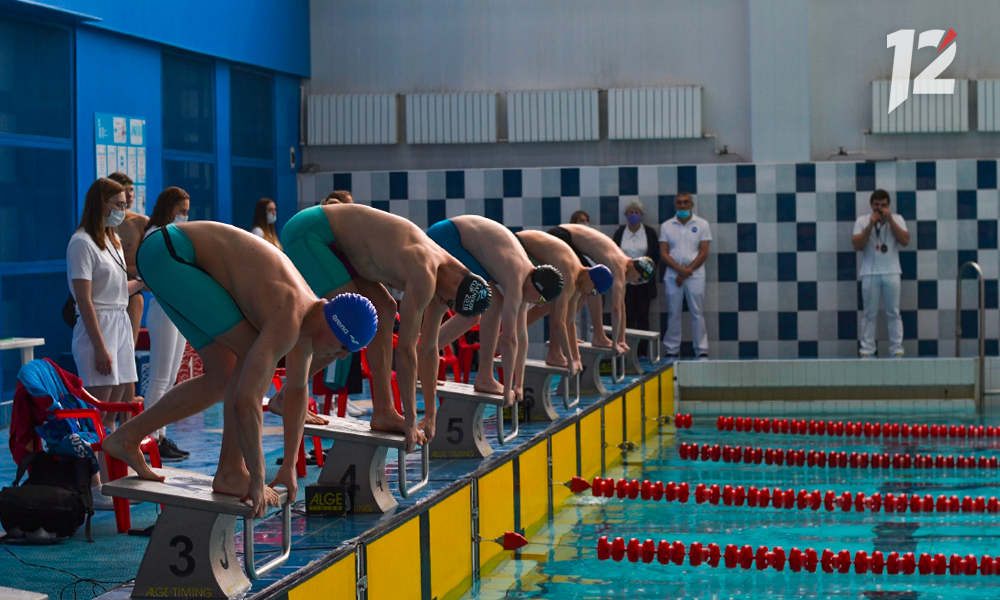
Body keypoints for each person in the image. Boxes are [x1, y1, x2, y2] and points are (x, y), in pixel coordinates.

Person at [103, 222, 378, 518]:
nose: (340, 356)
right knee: (246, 356)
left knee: (223, 375)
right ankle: (232, 471)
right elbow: (247, 401)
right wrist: (258, 477)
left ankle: (127, 438)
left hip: (167, 254)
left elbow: (296, 392)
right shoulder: (289, 317)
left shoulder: (309, 324)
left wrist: (288, 467)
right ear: (335, 328)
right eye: (343, 348)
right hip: (171, 252)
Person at [270, 204, 491, 449]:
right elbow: (405, 351)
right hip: (310, 233)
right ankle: (287, 394)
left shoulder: (448, 283)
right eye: (450, 302)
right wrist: (411, 420)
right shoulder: (425, 271)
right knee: (354, 323)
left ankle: (383, 411)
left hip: (342, 248)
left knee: (384, 309)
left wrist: (431, 414)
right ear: (457, 284)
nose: (444, 304)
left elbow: (428, 349)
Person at [66, 178, 144, 508]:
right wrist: (99, 346)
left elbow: (117, 290)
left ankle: (110, 482)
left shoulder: (112, 239)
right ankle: (93, 486)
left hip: (118, 324)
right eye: (119, 205)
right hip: (96, 329)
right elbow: (84, 299)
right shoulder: (81, 243)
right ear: (101, 204)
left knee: (111, 415)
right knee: (95, 414)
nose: (123, 211)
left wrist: (143, 280)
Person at [431, 216, 564, 406]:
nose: (539, 304)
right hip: (448, 236)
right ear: (538, 288)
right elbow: (508, 339)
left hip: (453, 235)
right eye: (542, 300)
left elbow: (520, 336)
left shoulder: (528, 279)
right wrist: (508, 389)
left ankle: (423, 355)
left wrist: (519, 384)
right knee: (492, 304)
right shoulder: (516, 277)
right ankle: (484, 377)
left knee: (474, 315)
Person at [547, 224, 654, 356]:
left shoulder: (623, 264)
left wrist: (622, 340)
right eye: (640, 279)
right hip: (561, 235)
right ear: (636, 268)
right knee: (593, 283)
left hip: (564, 235)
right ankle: (598, 337)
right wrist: (614, 343)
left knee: (588, 288)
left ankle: (578, 333)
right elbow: (615, 308)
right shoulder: (619, 266)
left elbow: (621, 306)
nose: (636, 283)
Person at [141, 187, 191, 461]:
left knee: (170, 379)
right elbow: (151, 275)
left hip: (176, 309)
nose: (185, 216)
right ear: (169, 209)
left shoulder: (173, 234)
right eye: (181, 211)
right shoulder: (154, 235)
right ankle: (151, 437)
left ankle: (161, 435)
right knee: (159, 379)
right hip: (163, 310)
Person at [518, 230, 614, 374]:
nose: (589, 294)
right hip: (518, 245)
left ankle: (553, 353)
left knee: (554, 304)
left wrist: (576, 357)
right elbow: (559, 324)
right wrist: (570, 360)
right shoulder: (569, 277)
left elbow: (569, 320)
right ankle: (553, 354)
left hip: (527, 249)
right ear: (590, 278)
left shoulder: (578, 280)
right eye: (593, 291)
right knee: (548, 301)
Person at [852, 189, 910, 358]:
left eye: (883, 205)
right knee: (869, 314)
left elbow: (905, 241)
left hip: (892, 272)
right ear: (871, 205)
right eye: (876, 205)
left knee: (894, 312)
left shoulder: (897, 219)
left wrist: (890, 220)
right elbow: (856, 245)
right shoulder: (862, 221)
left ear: (888, 205)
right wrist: (870, 226)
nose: (879, 208)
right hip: (870, 274)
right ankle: (867, 350)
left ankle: (896, 349)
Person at [659, 192, 712, 359]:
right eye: (679, 203)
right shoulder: (667, 226)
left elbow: (703, 253)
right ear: (675, 205)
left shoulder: (702, 224)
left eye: (685, 202)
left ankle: (701, 349)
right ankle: (671, 349)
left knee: (697, 312)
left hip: (695, 275)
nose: (682, 205)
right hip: (672, 275)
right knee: (673, 312)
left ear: (691, 205)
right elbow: (663, 253)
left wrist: (687, 271)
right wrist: (679, 270)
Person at [613, 200, 661, 358]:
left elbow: (655, 256)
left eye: (637, 212)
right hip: (625, 282)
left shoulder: (649, 233)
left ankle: (642, 352)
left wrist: (642, 274)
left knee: (642, 317)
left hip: (644, 283)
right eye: (631, 212)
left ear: (641, 215)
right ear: (626, 215)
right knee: (627, 317)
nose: (634, 215)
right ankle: (627, 351)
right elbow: (614, 256)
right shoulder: (620, 233)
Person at [569, 210, 593, 341]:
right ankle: (574, 342)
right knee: (574, 316)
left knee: (592, 319)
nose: (585, 223)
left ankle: (592, 348)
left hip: (591, 281)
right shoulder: (569, 242)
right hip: (575, 282)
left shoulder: (593, 241)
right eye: (581, 220)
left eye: (586, 220)